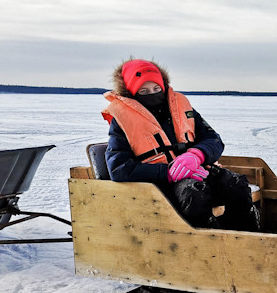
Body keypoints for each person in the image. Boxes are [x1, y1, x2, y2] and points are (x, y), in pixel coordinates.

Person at [102, 58, 258, 230]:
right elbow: (118, 168)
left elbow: (213, 139)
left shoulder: (181, 109)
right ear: (132, 94)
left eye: (156, 88)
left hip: (197, 170)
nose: (152, 94)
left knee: (236, 184)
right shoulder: (122, 122)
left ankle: (248, 236)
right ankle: (207, 246)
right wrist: (168, 173)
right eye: (144, 91)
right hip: (159, 184)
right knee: (195, 194)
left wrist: (196, 155)